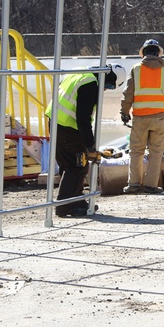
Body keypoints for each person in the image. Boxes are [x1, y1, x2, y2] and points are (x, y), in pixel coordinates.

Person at [49, 64, 125, 217]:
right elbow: (82, 118)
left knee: (67, 165)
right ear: (108, 77)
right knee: (78, 167)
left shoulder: (78, 73)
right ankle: (63, 207)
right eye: (109, 85)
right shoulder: (90, 84)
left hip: (55, 122)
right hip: (69, 127)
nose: (106, 89)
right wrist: (90, 146)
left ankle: (76, 201)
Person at [120, 39, 164, 194]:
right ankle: (151, 185)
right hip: (160, 118)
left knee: (136, 151)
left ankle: (134, 184)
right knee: (156, 153)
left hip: (140, 118)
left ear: (144, 53)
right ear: (157, 53)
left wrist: (124, 112)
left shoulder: (136, 69)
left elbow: (128, 93)